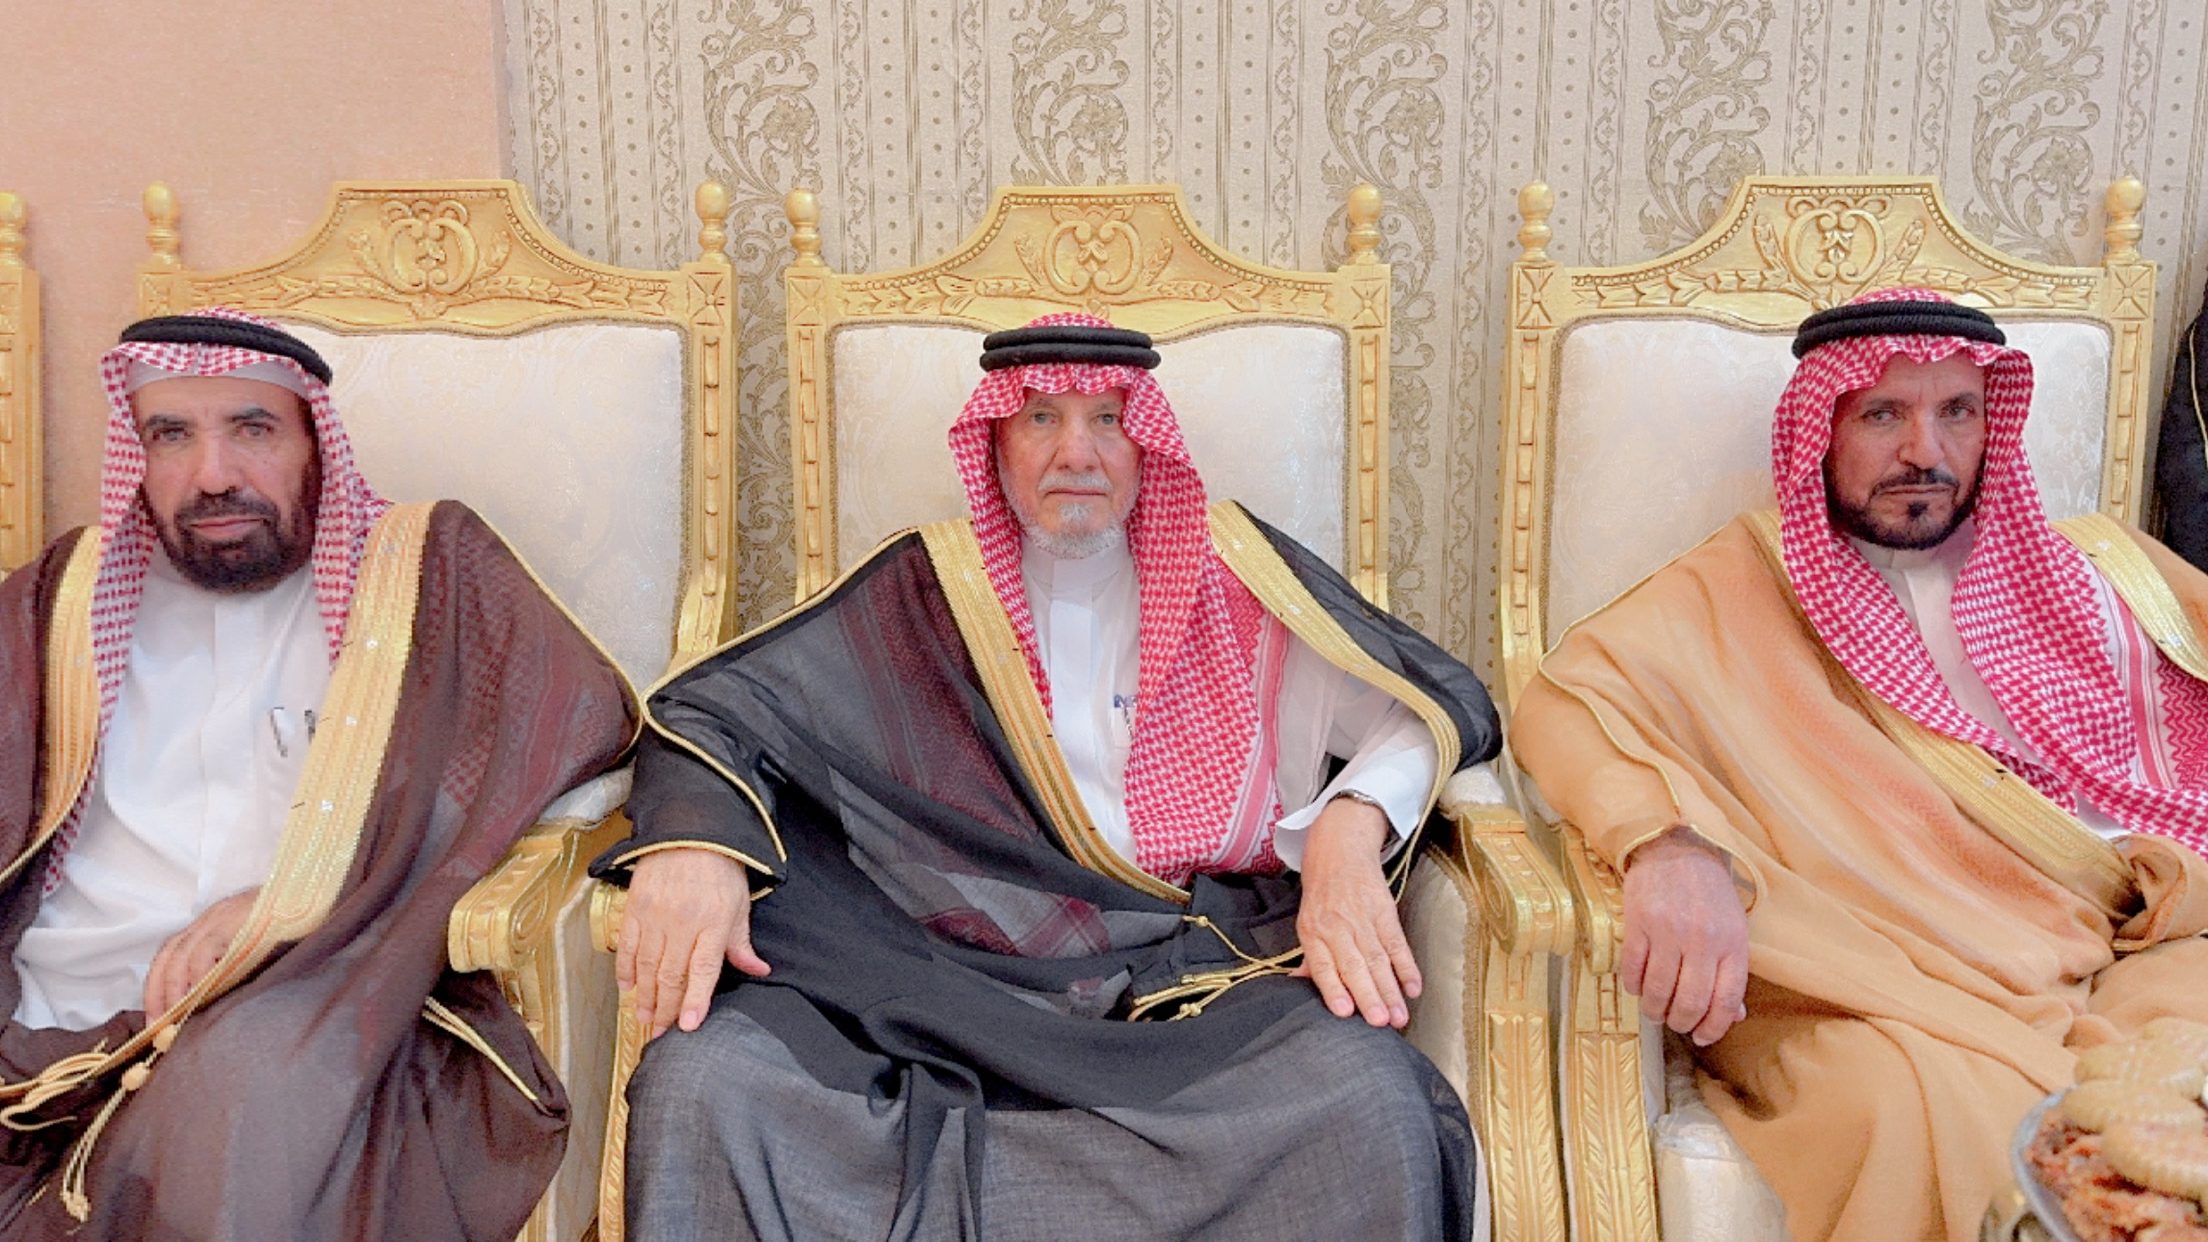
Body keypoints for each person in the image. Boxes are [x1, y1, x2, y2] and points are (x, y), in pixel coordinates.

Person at [600, 313, 1499, 1240]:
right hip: (948, 986)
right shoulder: (926, 595)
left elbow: (1430, 710)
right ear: (994, 442)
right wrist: (695, 849)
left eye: (1108, 419)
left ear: (1146, 443)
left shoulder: (1238, 585)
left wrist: (1345, 837)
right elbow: (708, 713)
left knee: (1369, 1099)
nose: (1077, 452)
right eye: (1040, 418)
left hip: (1186, 988)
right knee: (707, 1083)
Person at [1512, 287, 2208, 1242]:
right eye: (1883, 414)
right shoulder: (1737, 590)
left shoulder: (2094, 574)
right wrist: (1665, 845)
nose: (1925, 450)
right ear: (1822, 429)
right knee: (1921, 1110)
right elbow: (1563, 705)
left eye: (1957, 411)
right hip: (1868, 976)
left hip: (2121, 940)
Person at [0, 308, 637, 1239]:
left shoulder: (427, 576)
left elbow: (581, 717)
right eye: (170, 435)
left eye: (252, 428)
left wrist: (296, 902)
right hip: (49, 1010)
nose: (212, 475)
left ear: (315, 444)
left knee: (239, 1109)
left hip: (303, 994)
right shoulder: (61, 599)